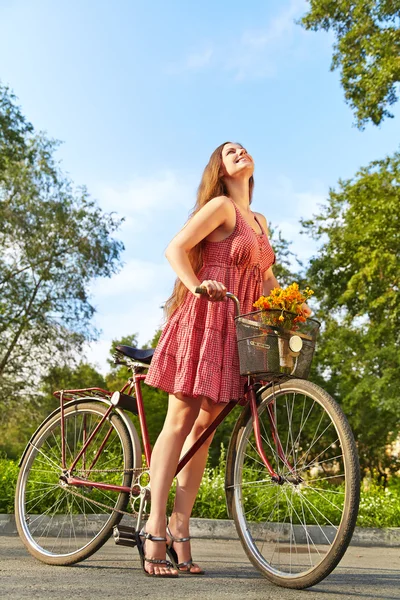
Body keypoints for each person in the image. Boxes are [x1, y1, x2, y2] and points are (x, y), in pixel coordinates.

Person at [138, 141, 311, 577]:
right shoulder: (220, 207)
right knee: (179, 421)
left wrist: (289, 307)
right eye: (229, 150)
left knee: (206, 431)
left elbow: (266, 276)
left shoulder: (259, 220)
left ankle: (181, 527)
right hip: (205, 316)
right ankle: (154, 525)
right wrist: (197, 285)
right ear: (220, 167)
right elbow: (174, 249)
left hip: (240, 328)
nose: (239, 152)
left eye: (244, 148)